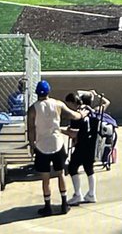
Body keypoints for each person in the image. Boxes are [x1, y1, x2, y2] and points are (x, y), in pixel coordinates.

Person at [27, 80, 87, 216]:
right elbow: (73, 115)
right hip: (57, 143)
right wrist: (82, 114)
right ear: (49, 91)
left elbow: (31, 129)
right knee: (60, 174)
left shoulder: (32, 109)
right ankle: (64, 204)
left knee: (45, 178)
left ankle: (47, 206)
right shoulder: (58, 104)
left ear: (36, 93)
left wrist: (32, 145)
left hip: (42, 145)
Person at [65, 90, 111, 205]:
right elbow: (107, 103)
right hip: (92, 145)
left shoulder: (77, 115)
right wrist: (97, 95)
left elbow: (74, 133)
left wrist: (61, 131)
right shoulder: (93, 111)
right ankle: (91, 194)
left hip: (81, 146)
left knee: (72, 168)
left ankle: (77, 195)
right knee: (89, 169)